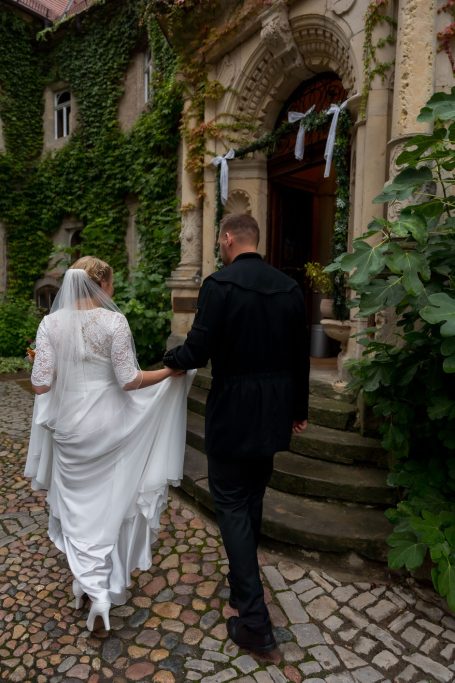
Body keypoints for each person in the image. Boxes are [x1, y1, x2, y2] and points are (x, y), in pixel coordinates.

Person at [163, 213, 309, 655]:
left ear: (228, 238)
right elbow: (301, 355)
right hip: (273, 410)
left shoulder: (219, 285)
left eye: (220, 242)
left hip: (233, 408)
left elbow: (198, 350)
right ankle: (241, 585)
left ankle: (254, 619)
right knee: (250, 499)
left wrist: (166, 358)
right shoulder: (289, 287)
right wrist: (297, 410)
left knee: (230, 503)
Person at [25, 256, 194, 632]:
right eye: (112, 284)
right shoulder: (114, 322)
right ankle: (100, 586)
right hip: (109, 426)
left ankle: (89, 585)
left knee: (76, 505)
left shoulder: (50, 323)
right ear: (102, 284)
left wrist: (38, 361)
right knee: (108, 503)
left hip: (71, 429)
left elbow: (40, 385)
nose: (113, 291)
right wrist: (170, 372)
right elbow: (129, 380)